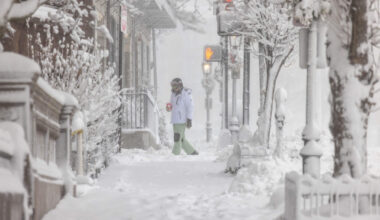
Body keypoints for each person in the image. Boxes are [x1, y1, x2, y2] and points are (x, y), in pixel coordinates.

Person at [166, 78, 198, 155]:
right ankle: (192, 152)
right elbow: (172, 104)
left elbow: (190, 106)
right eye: (172, 86)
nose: (173, 88)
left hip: (181, 120)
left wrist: (189, 119)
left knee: (177, 138)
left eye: (175, 86)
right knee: (181, 139)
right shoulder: (173, 94)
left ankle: (175, 155)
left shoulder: (186, 94)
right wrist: (169, 107)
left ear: (180, 85)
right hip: (175, 120)